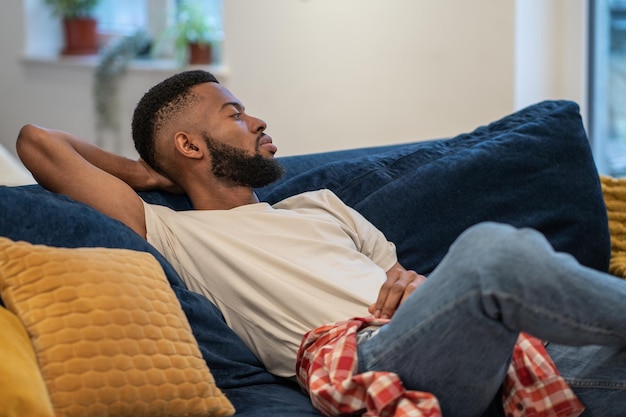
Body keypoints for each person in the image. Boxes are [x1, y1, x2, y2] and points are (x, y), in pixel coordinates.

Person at [16, 69, 626, 417]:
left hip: (452, 348)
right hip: (363, 363)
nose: (256, 122)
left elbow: (404, 282)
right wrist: (152, 174)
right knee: (493, 249)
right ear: (190, 146)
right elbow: (38, 142)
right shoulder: (173, 231)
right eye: (234, 113)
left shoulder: (321, 207)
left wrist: (418, 286)